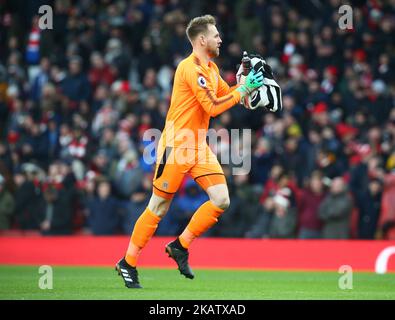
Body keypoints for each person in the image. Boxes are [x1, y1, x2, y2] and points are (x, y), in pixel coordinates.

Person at [115, 14, 264, 288]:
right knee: (158, 207)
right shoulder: (190, 68)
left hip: (197, 146)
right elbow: (213, 107)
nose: (220, 39)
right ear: (202, 39)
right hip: (176, 145)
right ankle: (128, 262)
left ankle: (180, 246)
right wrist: (241, 88)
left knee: (221, 199)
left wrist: (250, 90)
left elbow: (228, 97)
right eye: (216, 35)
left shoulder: (211, 68)